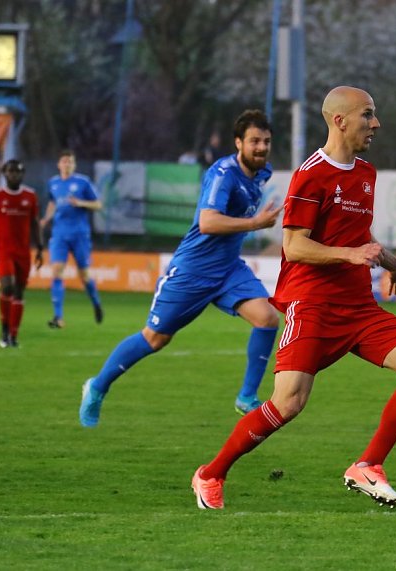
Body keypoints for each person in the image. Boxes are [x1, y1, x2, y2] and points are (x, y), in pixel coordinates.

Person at [190, 85, 396, 511]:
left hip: (360, 309)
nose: (376, 123)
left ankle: (368, 466)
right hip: (311, 305)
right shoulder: (311, 175)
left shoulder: (366, 173)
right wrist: (350, 254)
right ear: (339, 120)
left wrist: (394, 263)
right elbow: (294, 246)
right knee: (288, 404)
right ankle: (211, 473)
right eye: (368, 114)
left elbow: (359, 237)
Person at [78, 109, 282, 428]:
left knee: (268, 318)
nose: (261, 147)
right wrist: (256, 222)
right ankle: (97, 386)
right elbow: (208, 221)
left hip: (229, 269)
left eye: (266, 141)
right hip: (193, 270)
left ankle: (246, 397)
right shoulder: (222, 174)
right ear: (238, 143)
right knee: (155, 339)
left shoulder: (262, 173)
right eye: (254, 141)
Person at [0, 159, 44, 348]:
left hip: (23, 252)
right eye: (10, 172)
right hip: (3, 250)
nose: (14, 175)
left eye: (18, 172)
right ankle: (4, 330)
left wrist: (40, 248)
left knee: (19, 292)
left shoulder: (30, 196)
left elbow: (35, 223)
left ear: (22, 174)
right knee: (7, 287)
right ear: (4, 174)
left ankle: (13, 336)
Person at [40, 149, 104, 328]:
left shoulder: (83, 182)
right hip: (59, 233)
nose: (67, 165)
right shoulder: (53, 183)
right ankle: (58, 317)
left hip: (79, 234)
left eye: (70, 162)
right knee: (56, 271)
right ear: (59, 164)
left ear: (74, 165)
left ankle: (96, 303)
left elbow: (98, 204)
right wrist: (46, 219)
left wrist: (81, 203)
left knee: (84, 275)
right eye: (64, 161)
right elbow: (52, 203)